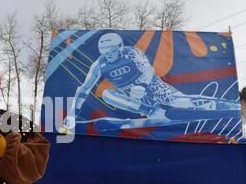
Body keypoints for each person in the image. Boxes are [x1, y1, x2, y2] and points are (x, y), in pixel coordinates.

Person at [64, 32, 239, 130]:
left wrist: (142, 85)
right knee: (107, 94)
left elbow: (148, 69)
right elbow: (84, 88)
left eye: (111, 51)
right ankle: (151, 111)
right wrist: (73, 112)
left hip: (153, 87)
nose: (107, 55)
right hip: (136, 98)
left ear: (119, 48)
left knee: (182, 101)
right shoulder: (99, 65)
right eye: (104, 52)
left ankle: (230, 106)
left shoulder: (130, 52)